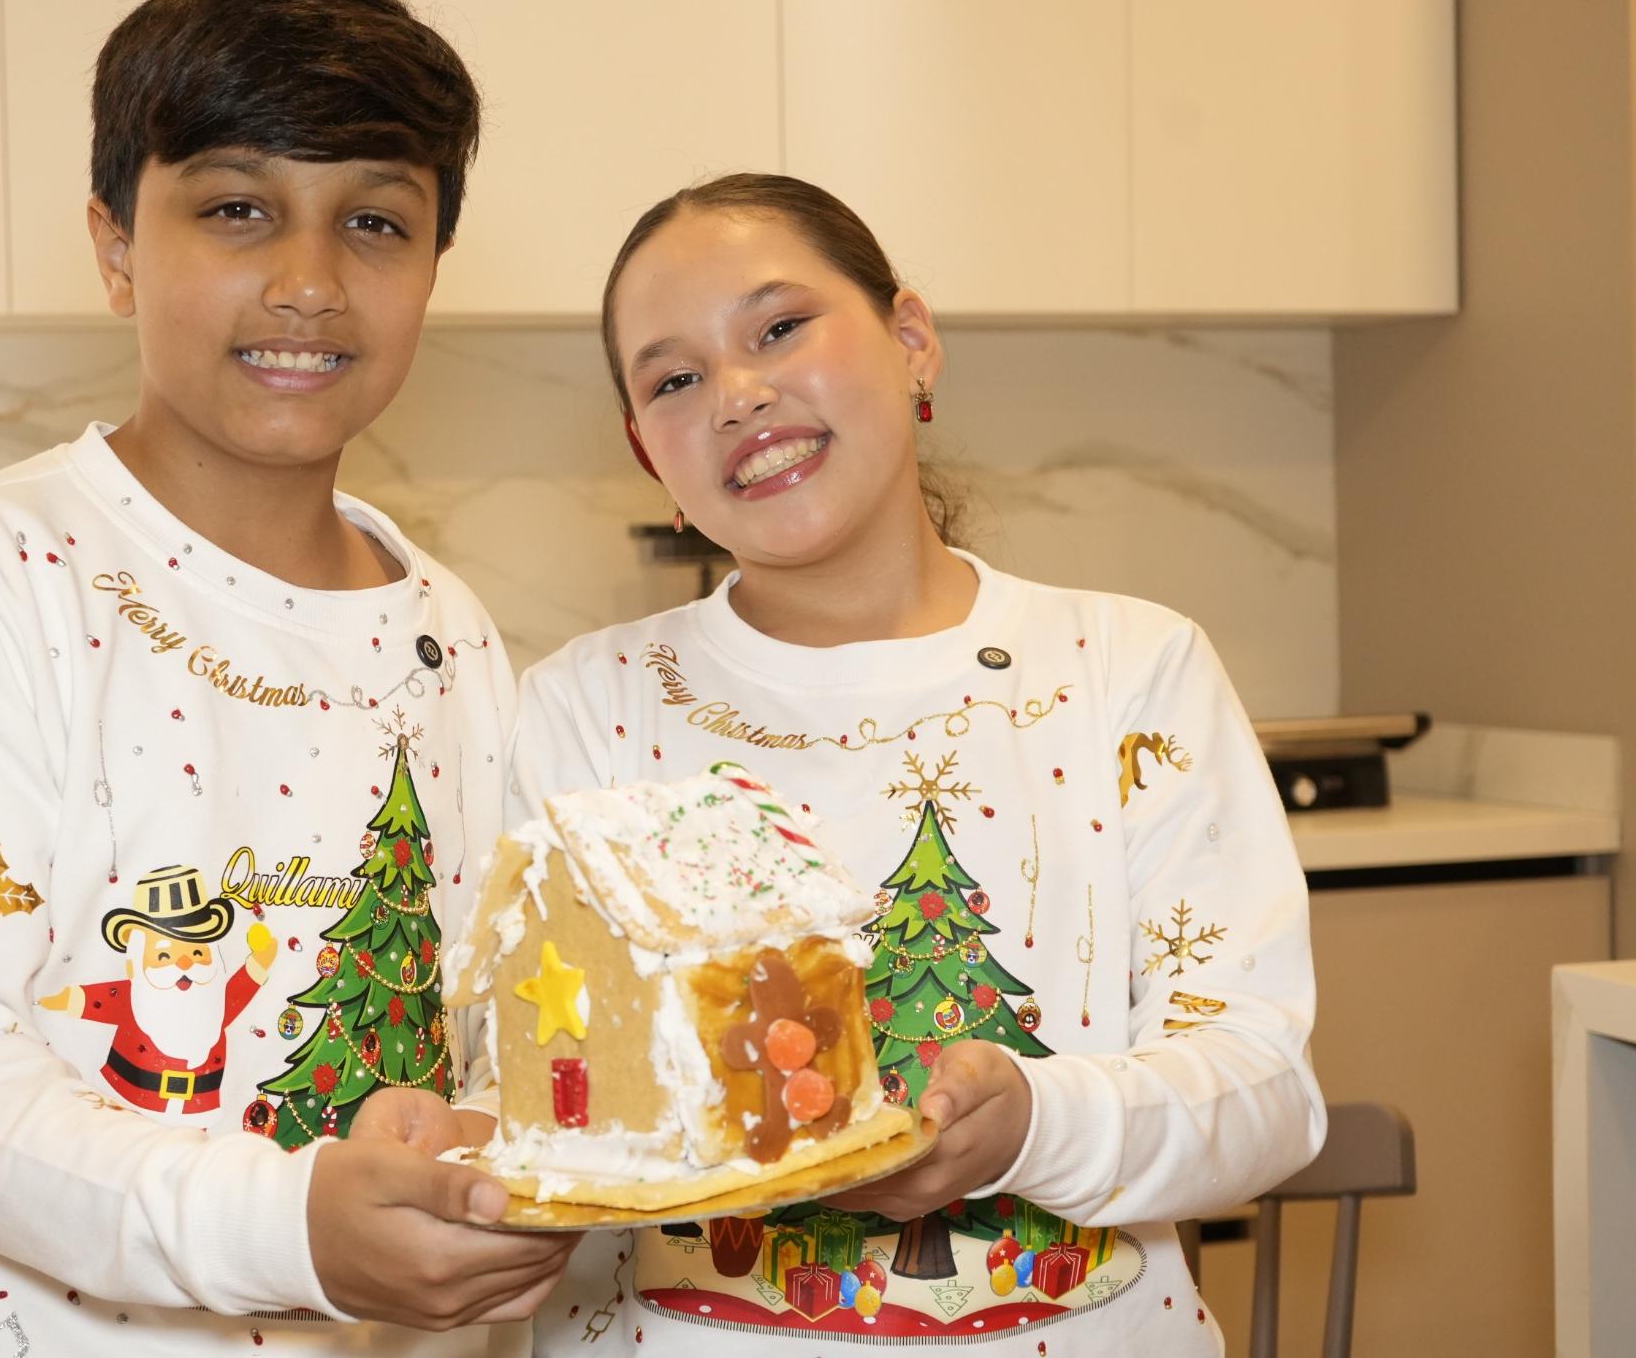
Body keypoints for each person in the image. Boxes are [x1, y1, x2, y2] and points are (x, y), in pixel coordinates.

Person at [0, 0, 574, 1356]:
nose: (309, 282)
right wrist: (286, 1227)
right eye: (236, 209)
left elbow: (470, 1045)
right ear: (113, 245)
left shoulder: (449, 633)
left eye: (376, 225)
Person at [506, 174, 1324, 1353]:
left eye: (780, 327)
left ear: (911, 339)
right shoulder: (587, 707)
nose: (738, 393)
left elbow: (1261, 1095)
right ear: (649, 455)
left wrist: (1033, 1122)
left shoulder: (1125, 671)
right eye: (675, 379)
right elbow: (545, 1093)